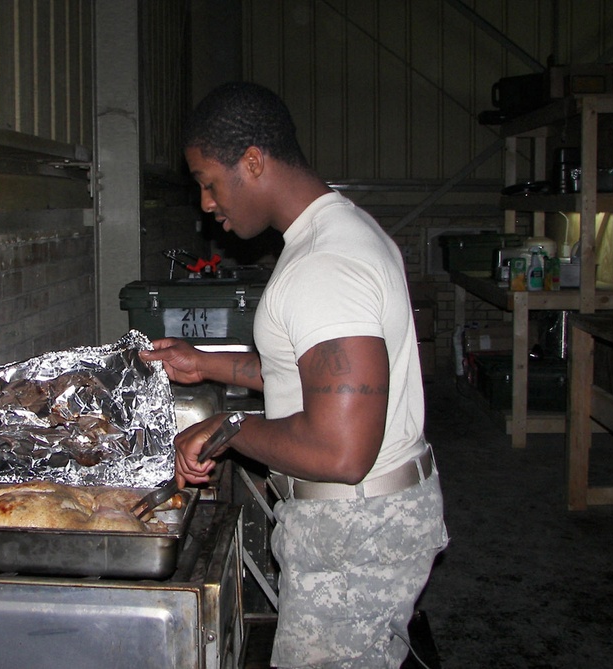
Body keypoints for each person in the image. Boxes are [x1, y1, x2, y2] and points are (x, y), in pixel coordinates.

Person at [139, 82, 449, 668]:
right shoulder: (332, 236)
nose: (206, 203)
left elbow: (340, 450)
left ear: (252, 161)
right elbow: (313, 377)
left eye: (209, 182)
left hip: (356, 530)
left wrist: (223, 429)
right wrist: (203, 362)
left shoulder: (324, 265)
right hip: (365, 522)